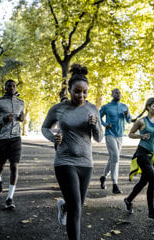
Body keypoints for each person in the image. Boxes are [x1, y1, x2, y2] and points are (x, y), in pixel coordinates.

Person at [41, 64, 103, 240]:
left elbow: (99, 137)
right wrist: (53, 137)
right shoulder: (58, 108)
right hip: (64, 161)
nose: (81, 96)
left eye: (85, 92)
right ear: (69, 90)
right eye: (77, 92)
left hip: (86, 162)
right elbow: (45, 127)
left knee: (78, 204)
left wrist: (95, 124)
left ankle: (64, 207)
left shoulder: (92, 109)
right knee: (76, 207)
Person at [123, 97, 154, 219]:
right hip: (142, 154)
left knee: (143, 181)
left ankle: (128, 200)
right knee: (153, 180)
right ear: (148, 107)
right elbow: (130, 134)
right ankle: (151, 212)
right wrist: (141, 136)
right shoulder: (141, 121)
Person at [0, 79, 25, 209]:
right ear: (5, 88)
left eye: (14, 86)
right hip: (2, 139)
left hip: (16, 139)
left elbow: (21, 117)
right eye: (9, 86)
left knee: (14, 166)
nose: (12, 88)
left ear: (16, 87)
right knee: (1, 166)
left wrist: (22, 119)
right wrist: (2, 119)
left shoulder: (21, 103)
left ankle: (9, 198)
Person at [99, 88, 131, 194]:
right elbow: (98, 117)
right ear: (112, 94)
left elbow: (129, 120)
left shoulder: (124, 107)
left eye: (119, 93)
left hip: (120, 136)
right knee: (116, 157)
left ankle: (103, 177)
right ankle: (115, 184)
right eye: (116, 93)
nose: (118, 94)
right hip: (110, 135)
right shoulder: (106, 107)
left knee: (112, 158)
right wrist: (104, 125)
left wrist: (127, 114)